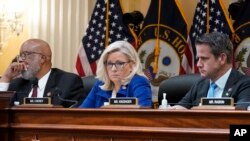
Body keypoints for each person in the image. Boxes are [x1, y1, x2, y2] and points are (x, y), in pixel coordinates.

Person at [170, 32, 250, 110]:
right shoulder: (200, 85)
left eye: (204, 59)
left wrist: (196, 109)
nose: (198, 64)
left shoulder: (245, 85)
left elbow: (240, 112)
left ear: (222, 58)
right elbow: (180, 108)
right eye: (198, 58)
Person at [0, 39, 86, 108]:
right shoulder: (17, 83)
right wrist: (6, 78)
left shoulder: (68, 82)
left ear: (42, 58)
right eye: (21, 55)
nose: (22, 60)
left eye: (26, 54)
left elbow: (76, 116)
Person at [79, 40, 152, 108]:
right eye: (110, 63)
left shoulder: (139, 82)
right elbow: (81, 115)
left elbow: (143, 115)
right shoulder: (100, 84)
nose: (113, 69)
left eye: (119, 63)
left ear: (132, 65)